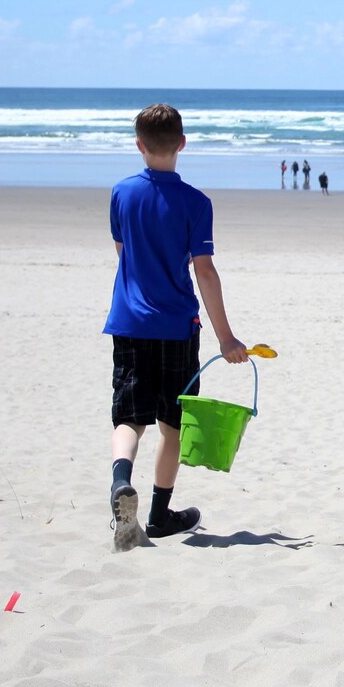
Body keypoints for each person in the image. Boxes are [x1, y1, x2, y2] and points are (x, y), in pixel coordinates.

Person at [105, 104, 250, 552]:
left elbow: (121, 249)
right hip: (176, 327)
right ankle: (158, 514)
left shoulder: (122, 194)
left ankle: (120, 482)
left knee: (130, 417)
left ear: (139, 145)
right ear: (182, 144)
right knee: (172, 423)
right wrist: (226, 337)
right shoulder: (195, 202)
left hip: (129, 322)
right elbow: (205, 271)